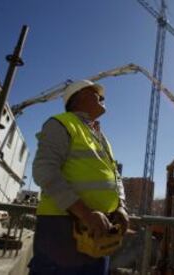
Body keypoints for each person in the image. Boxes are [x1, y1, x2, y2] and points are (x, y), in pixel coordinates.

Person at [29, 80, 129, 275]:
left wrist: (121, 206)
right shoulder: (61, 123)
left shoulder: (101, 137)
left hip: (100, 228)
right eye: (96, 93)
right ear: (81, 95)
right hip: (62, 228)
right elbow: (44, 171)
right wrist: (85, 213)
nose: (103, 98)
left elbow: (116, 176)